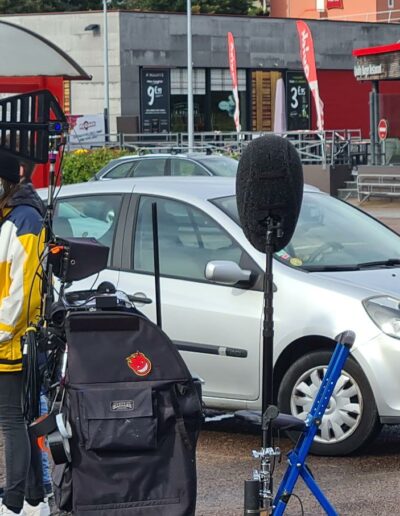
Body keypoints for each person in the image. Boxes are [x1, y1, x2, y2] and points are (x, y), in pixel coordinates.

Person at [0, 154, 50, 515]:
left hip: (13, 344)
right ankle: (31, 496)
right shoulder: (14, 218)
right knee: (22, 419)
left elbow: (22, 294)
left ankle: (16, 502)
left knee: (13, 421)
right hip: (10, 339)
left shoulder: (24, 221)